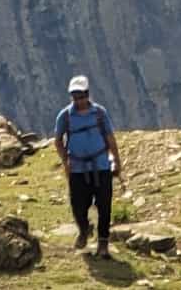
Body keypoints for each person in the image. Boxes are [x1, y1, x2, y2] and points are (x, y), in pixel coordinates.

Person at [54, 74, 123, 257]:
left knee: (104, 206)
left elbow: (110, 138)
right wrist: (65, 160)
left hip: (101, 166)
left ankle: (103, 243)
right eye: (75, 97)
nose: (79, 100)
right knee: (78, 205)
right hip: (77, 168)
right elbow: (58, 140)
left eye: (81, 96)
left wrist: (116, 160)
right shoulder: (65, 116)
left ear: (87, 94)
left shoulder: (100, 113)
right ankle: (84, 230)